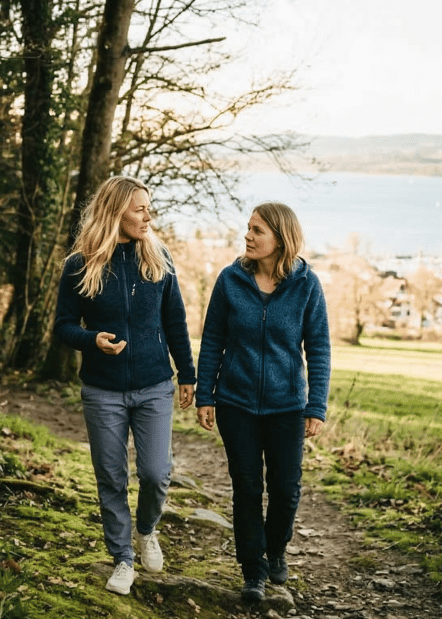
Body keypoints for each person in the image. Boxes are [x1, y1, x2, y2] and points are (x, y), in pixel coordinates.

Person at [54, 176, 196, 596]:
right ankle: (122, 558)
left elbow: (175, 322)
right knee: (111, 477)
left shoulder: (159, 259)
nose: (148, 215)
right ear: (116, 211)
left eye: (149, 207)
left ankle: (147, 530)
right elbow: (63, 326)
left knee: (155, 473)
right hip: (102, 390)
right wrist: (91, 340)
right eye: (140, 208)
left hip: (155, 385)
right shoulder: (79, 264)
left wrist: (186, 374)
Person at [195, 202, 331, 603]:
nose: (248, 236)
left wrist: (316, 405)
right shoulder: (230, 280)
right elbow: (213, 340)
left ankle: (275, 552)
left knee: (287, 490)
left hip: (288, 406)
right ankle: (252, 570)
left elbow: (319, 349)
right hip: (235, 404)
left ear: (280, 238)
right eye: (248, 229)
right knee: (247, 488)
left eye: (257, 231)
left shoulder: (306, 284)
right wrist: (206, 395)